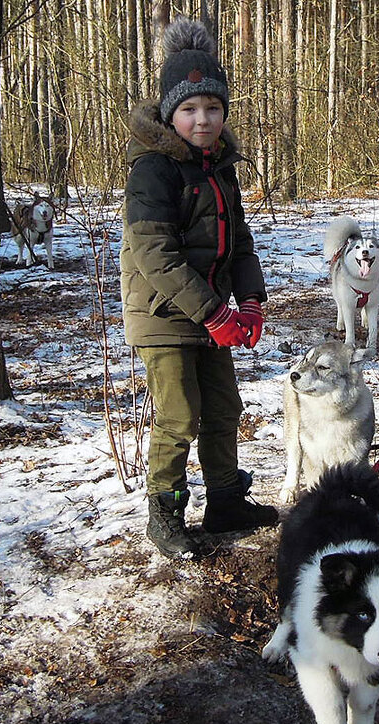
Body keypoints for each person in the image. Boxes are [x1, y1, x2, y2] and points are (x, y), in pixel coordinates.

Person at [120, 17, 279, 557]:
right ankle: (164, 512)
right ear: (171, 114)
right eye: (189, 109)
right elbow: (154, 255)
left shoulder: (222, 170)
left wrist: (251, 300)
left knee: (223, 407)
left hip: (210, 309)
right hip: (163, 312)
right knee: (179, 412)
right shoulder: (153, 170)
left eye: (212, 108)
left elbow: (240, 244)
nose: (202, 119)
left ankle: (225, 500)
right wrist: (215, 313)